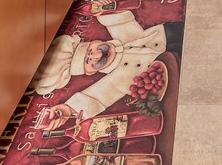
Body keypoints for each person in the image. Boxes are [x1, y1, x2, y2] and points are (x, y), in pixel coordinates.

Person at [32, 8, 181, 127]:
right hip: (173, 67)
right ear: (90, 71)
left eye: (91, 51)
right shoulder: (116, 78)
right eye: (89, 61)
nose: (97, 56)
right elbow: (96, 96)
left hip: (168, 34)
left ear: (94, 41)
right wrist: (69, 109)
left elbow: (115, 18)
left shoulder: (118, 35)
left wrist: (104, 9)